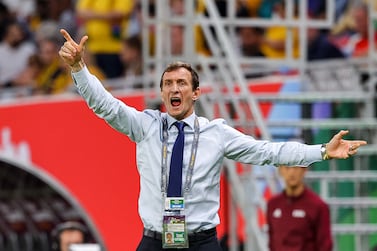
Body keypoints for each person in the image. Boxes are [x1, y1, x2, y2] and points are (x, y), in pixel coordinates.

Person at [58, 28, 367, 251]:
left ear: (196, 93)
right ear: (162, 93)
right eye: (168, 84)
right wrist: (79, 69)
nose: (174, 88)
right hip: (154, 240)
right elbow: (105, 105)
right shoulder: (145, 125)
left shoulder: (216, 133)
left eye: (181, 83)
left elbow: (269, 152)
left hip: (202, 242)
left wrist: (323, 151)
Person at [267, 165, 333, 251]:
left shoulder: (318, 206)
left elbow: (325, 245)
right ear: (280, 170)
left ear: (304, 170)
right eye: (287, 167)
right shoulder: (273, 204)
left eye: (296, 167)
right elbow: (272, 242)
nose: (291, 172)